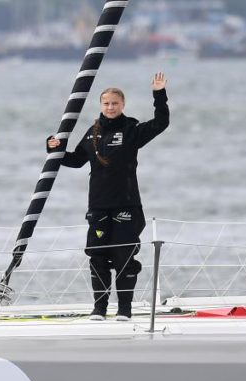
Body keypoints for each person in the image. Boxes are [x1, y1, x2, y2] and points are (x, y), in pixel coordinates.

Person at [47, 72, 169, 321]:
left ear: (122, 105)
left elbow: (161, 123)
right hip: (99, 207)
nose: (110, 107)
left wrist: (159, 94)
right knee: (98, 257)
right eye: (106, 103)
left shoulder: (131, 129)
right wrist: (53, 148)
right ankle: (99, 309)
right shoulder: (93, 133)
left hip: (127, 206)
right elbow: (76, 160)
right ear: (101, 105)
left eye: (115, 103)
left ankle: (125, 310)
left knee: (124, 257)